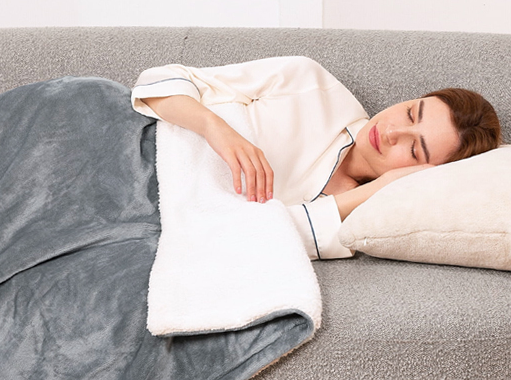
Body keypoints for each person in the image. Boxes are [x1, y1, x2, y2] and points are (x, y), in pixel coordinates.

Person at [131, 56, 502, 259]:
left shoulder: (358, 220)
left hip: (143, 224)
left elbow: (257, 244)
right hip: (129, 141)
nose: (391, 132)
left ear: (425, 171)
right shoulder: (310, 82)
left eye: (414, 148)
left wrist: (375, 191)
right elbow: (159, 79)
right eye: (410, 112)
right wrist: (216, 128)